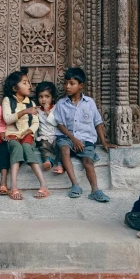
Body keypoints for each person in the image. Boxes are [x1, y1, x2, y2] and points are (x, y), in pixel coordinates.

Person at [54, 67, 116, 202]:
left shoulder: (89, 102)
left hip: (86, 140)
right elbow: (60, 125)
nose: (67, 87)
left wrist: (104, 142)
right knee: (64, 148)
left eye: (71, 83)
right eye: (65, 83)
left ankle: (95, 190)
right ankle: (75, 185)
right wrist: (73, 139)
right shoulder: (61, 104)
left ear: (80, 86)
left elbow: (97, 122)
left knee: (88, 161)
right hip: (68, 138)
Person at [2, 67, 50, 201]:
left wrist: (28, 132)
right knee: (17, 148)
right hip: (12, 135)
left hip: (27, 135)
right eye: (24, 82)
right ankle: (14, 187)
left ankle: (44, 185)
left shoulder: (31, 102)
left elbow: (35, 123)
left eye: (29, 82)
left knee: (27, 148)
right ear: (14, 88)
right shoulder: (7, 100)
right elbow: (7, 119)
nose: (29, 85)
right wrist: (24, 112)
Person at [34, 81, 63, 174]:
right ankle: (48, 161)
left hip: (56, 136)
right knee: (43, 147)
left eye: (47, 96)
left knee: (60, 147)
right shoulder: (37, 110)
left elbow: (57, 123)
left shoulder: (56, 108)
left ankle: (60, 164)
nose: (43, 100)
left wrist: (48, 112)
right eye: (40, 97)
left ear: (53, 98)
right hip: (44, 137)